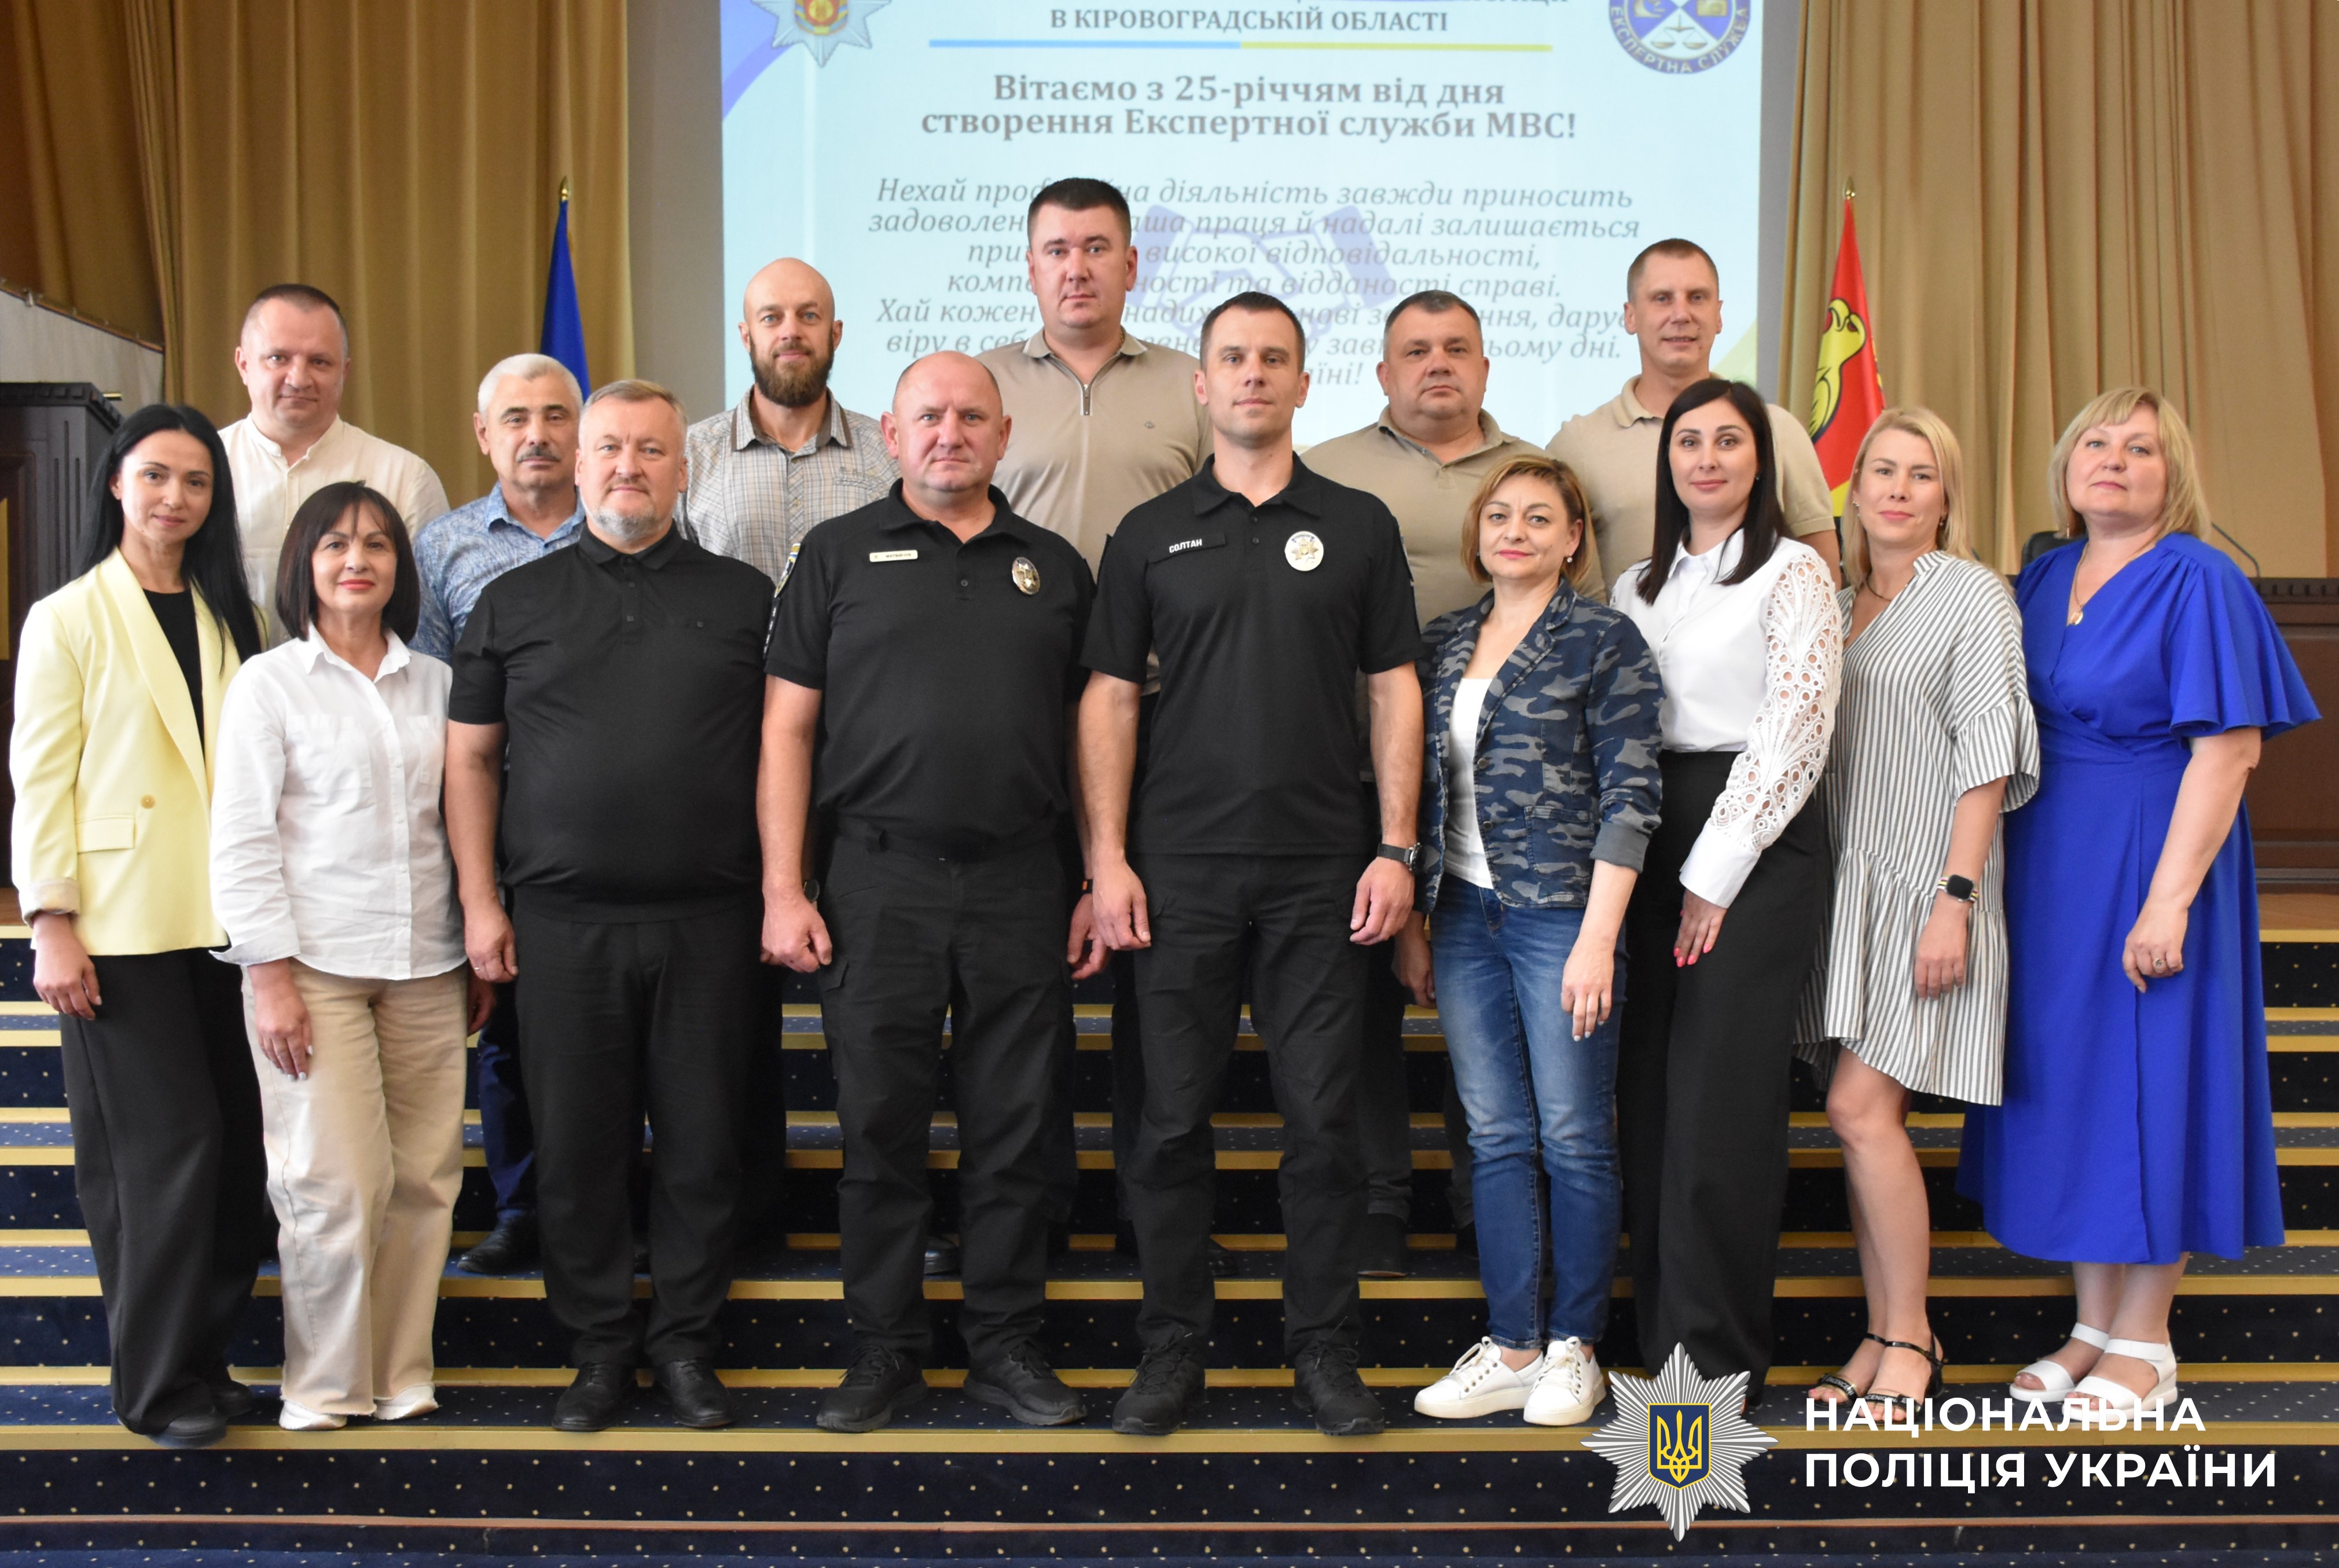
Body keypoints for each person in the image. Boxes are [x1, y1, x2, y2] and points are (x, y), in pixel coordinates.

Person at [1081, 292, 1423, 1438]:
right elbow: (1109, 698)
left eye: (1274, 358)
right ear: (1201, 383)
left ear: (1303, 383)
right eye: (1232, 357)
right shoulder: (1147, 533)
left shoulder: (1359, 523)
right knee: (1169, 1124)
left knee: (1323, 1125)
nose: (1252, 374)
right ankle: (1171, 1348)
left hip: (1324, 872)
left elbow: (1393, 689)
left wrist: (1395, 845)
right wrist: (1106, 858)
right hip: (1177, 871)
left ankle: (1322, 1349)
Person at [762, 352, 1105, 1432]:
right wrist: (783, 885)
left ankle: (1005, 1345)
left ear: (1003, 436)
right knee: (879, 1131)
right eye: (927, 417)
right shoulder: (834, 554)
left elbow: (1091, 734)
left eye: (969, 417)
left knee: (1015, 1128)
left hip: (1022, 882)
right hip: (876, 881)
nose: (948, 434)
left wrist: (1095, 874)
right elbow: (786, 729)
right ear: (892, 435)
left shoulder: (1055, 567)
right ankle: (886, 1350)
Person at [1960, 388, 2315, 1416]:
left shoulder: (2200, 578)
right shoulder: (2041, 576)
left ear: (2174, 476)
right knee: (2075, 1083)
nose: (2113, 459)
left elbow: (2229, 751)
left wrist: (2168, 902)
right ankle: (2092, 1324)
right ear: (2066, 467)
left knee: (2156, 1078)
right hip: (2051, 864)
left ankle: (2147, 1338)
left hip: (2157, 855)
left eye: (2140, 448)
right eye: (2096, 442)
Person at [445, 380, 773, 1433]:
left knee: (703, 1147)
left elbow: (788, 751)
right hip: (559, 926)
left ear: (686, 467)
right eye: (610, 449)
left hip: (711, 922)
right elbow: (470, 762)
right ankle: (596, 1349)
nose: (628, 466)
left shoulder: (746, 597)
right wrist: (480, 902)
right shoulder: (511, 602)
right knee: (579, 1151)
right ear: (579, 465)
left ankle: (684, 1344)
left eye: (651, 449)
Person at [10, 404, 270, 1448]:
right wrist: (50, 917)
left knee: (236, 1153)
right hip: (120, 924)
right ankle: (157, 1387)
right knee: (166, 1153)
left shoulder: (234, 613)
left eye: (196, 481)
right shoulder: (67, 615)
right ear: (117, 482)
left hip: (228, 922)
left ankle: (205, 1362)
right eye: (156, 475)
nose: (175, 497)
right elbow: (40, 778)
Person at [211, 481, 493, 1431]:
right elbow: (241, 839)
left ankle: (401, 1372)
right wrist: (268, 975)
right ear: (304, 562)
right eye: (334, 543)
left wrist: (471, 948)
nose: (356, 559)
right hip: (312, 969)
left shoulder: (438, 683)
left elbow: (460, 823)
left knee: (423, 1182)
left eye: (376, 543)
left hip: (427, 964)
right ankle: (324, 1385)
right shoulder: (268, 683)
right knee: (332, 1184)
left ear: (399, 568)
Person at [978, 177, 1216, 1270]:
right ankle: (1036, 1207)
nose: (1076, 267)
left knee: (1149, 972)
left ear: (1131, 264)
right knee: (1025, 979)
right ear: (1030, 265)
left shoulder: (1189, 383)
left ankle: (1143, 1207)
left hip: (1161, 712)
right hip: (1017, 715)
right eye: (1056, 249)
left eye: (1097, 248)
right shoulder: (981, 385)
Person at [1401, 454, 1661, 1426]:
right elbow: (1417, 788)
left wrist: (1599, 937)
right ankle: (1513, 1344)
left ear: (1572, 537)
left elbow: (1632, 794)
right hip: (1464, 916)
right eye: (1500, 515)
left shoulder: (1603, 639)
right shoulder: (1444, 639)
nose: (1515, 531)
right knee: (1495, 1135)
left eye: (1539, 517)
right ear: (1478, 532)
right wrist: (1418, 920)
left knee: (1575, 1135)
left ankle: (1574, 1348)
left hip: (1564, 917)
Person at [1791, 410, 2039, 1416]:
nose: (1897, 488)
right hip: (1842, 897)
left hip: (1924, 889)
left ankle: (1909, 1334)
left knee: (1859, 1112)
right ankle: (1885, 1328)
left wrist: (1956, 898)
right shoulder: (1835, 602)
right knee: (1862, 1123)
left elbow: (1988, 752)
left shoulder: (1971, 595)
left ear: (1946, 496)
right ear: (1852, 490)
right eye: (1881, 470)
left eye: (1921, 473)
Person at [1610, 377, 1842, 1405]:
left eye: (1728, 441)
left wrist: (1714, 874)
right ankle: (1661, 1336)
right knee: (1651, 1099)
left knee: (1719, 1103)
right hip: (1645, 833)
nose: (1706, 458)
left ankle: (1712, 1359)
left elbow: (1794, 731)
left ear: (1762, 459)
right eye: (1688, 441)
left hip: (1752, 837)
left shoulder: (1793, 571)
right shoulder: (1635, 585)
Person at [1308, 289, 1549, 1276]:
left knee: (1481, 987)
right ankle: (1379, 1193)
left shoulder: (1535, 473)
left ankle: (1479, 1188)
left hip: (1505, 785)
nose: (1437, 364)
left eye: (1456, 348)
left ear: (1486, 367)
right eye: (1415, 350)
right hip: (1356, 765)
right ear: (1382, 372)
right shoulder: (1324, 471)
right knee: (1365, 985)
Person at [410, 352, 589, 1277]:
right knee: (510, 1031)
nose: (538, 434)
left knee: (611, 1034)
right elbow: (427, 700)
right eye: (516, 418)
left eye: (556, 415)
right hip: (497, 821)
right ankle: (522, 1207)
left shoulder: (632, 522)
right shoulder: (443, 548)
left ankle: (608, 1204)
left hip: (609, 821)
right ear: (484, 435)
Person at [1548, 240, 1838, 593]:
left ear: (1719, 315)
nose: (1681, 314)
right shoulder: (1579, 444)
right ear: (1631, 316)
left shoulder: (1777, 429)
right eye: (1662, 299)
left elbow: (1824, 573)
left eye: (1697, 298)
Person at [222, 284, 450, 616]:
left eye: (319, 362)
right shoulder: (202, 469)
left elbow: (429, 617)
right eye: (278, 359)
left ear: (344, 371)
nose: (299, 379)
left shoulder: (405, 477)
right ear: (243, 364)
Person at [680, 258, 898, 587]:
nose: (791, 332)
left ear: (835, 334)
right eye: (771, 318)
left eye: (809, 316)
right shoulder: (691, 454)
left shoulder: (888, 454)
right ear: (746, 337)